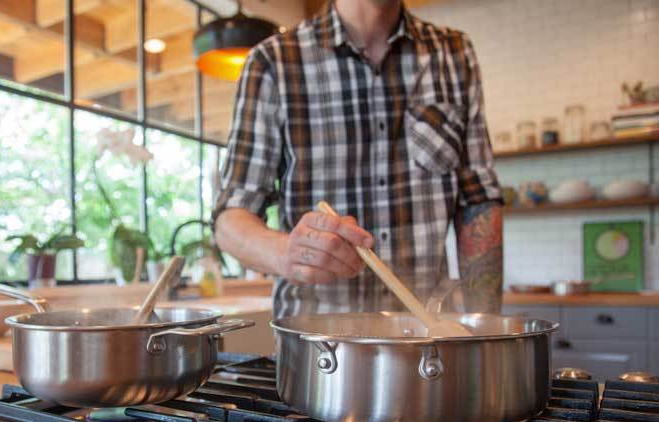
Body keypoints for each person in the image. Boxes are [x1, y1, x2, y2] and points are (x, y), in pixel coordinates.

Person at [213, 0, 503, 319]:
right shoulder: (273, 61)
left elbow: (479, 202)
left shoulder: (453, 54)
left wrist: (482, 330)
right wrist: (287, 254)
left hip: (427, 337)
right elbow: (230, 219)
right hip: (317, 345)